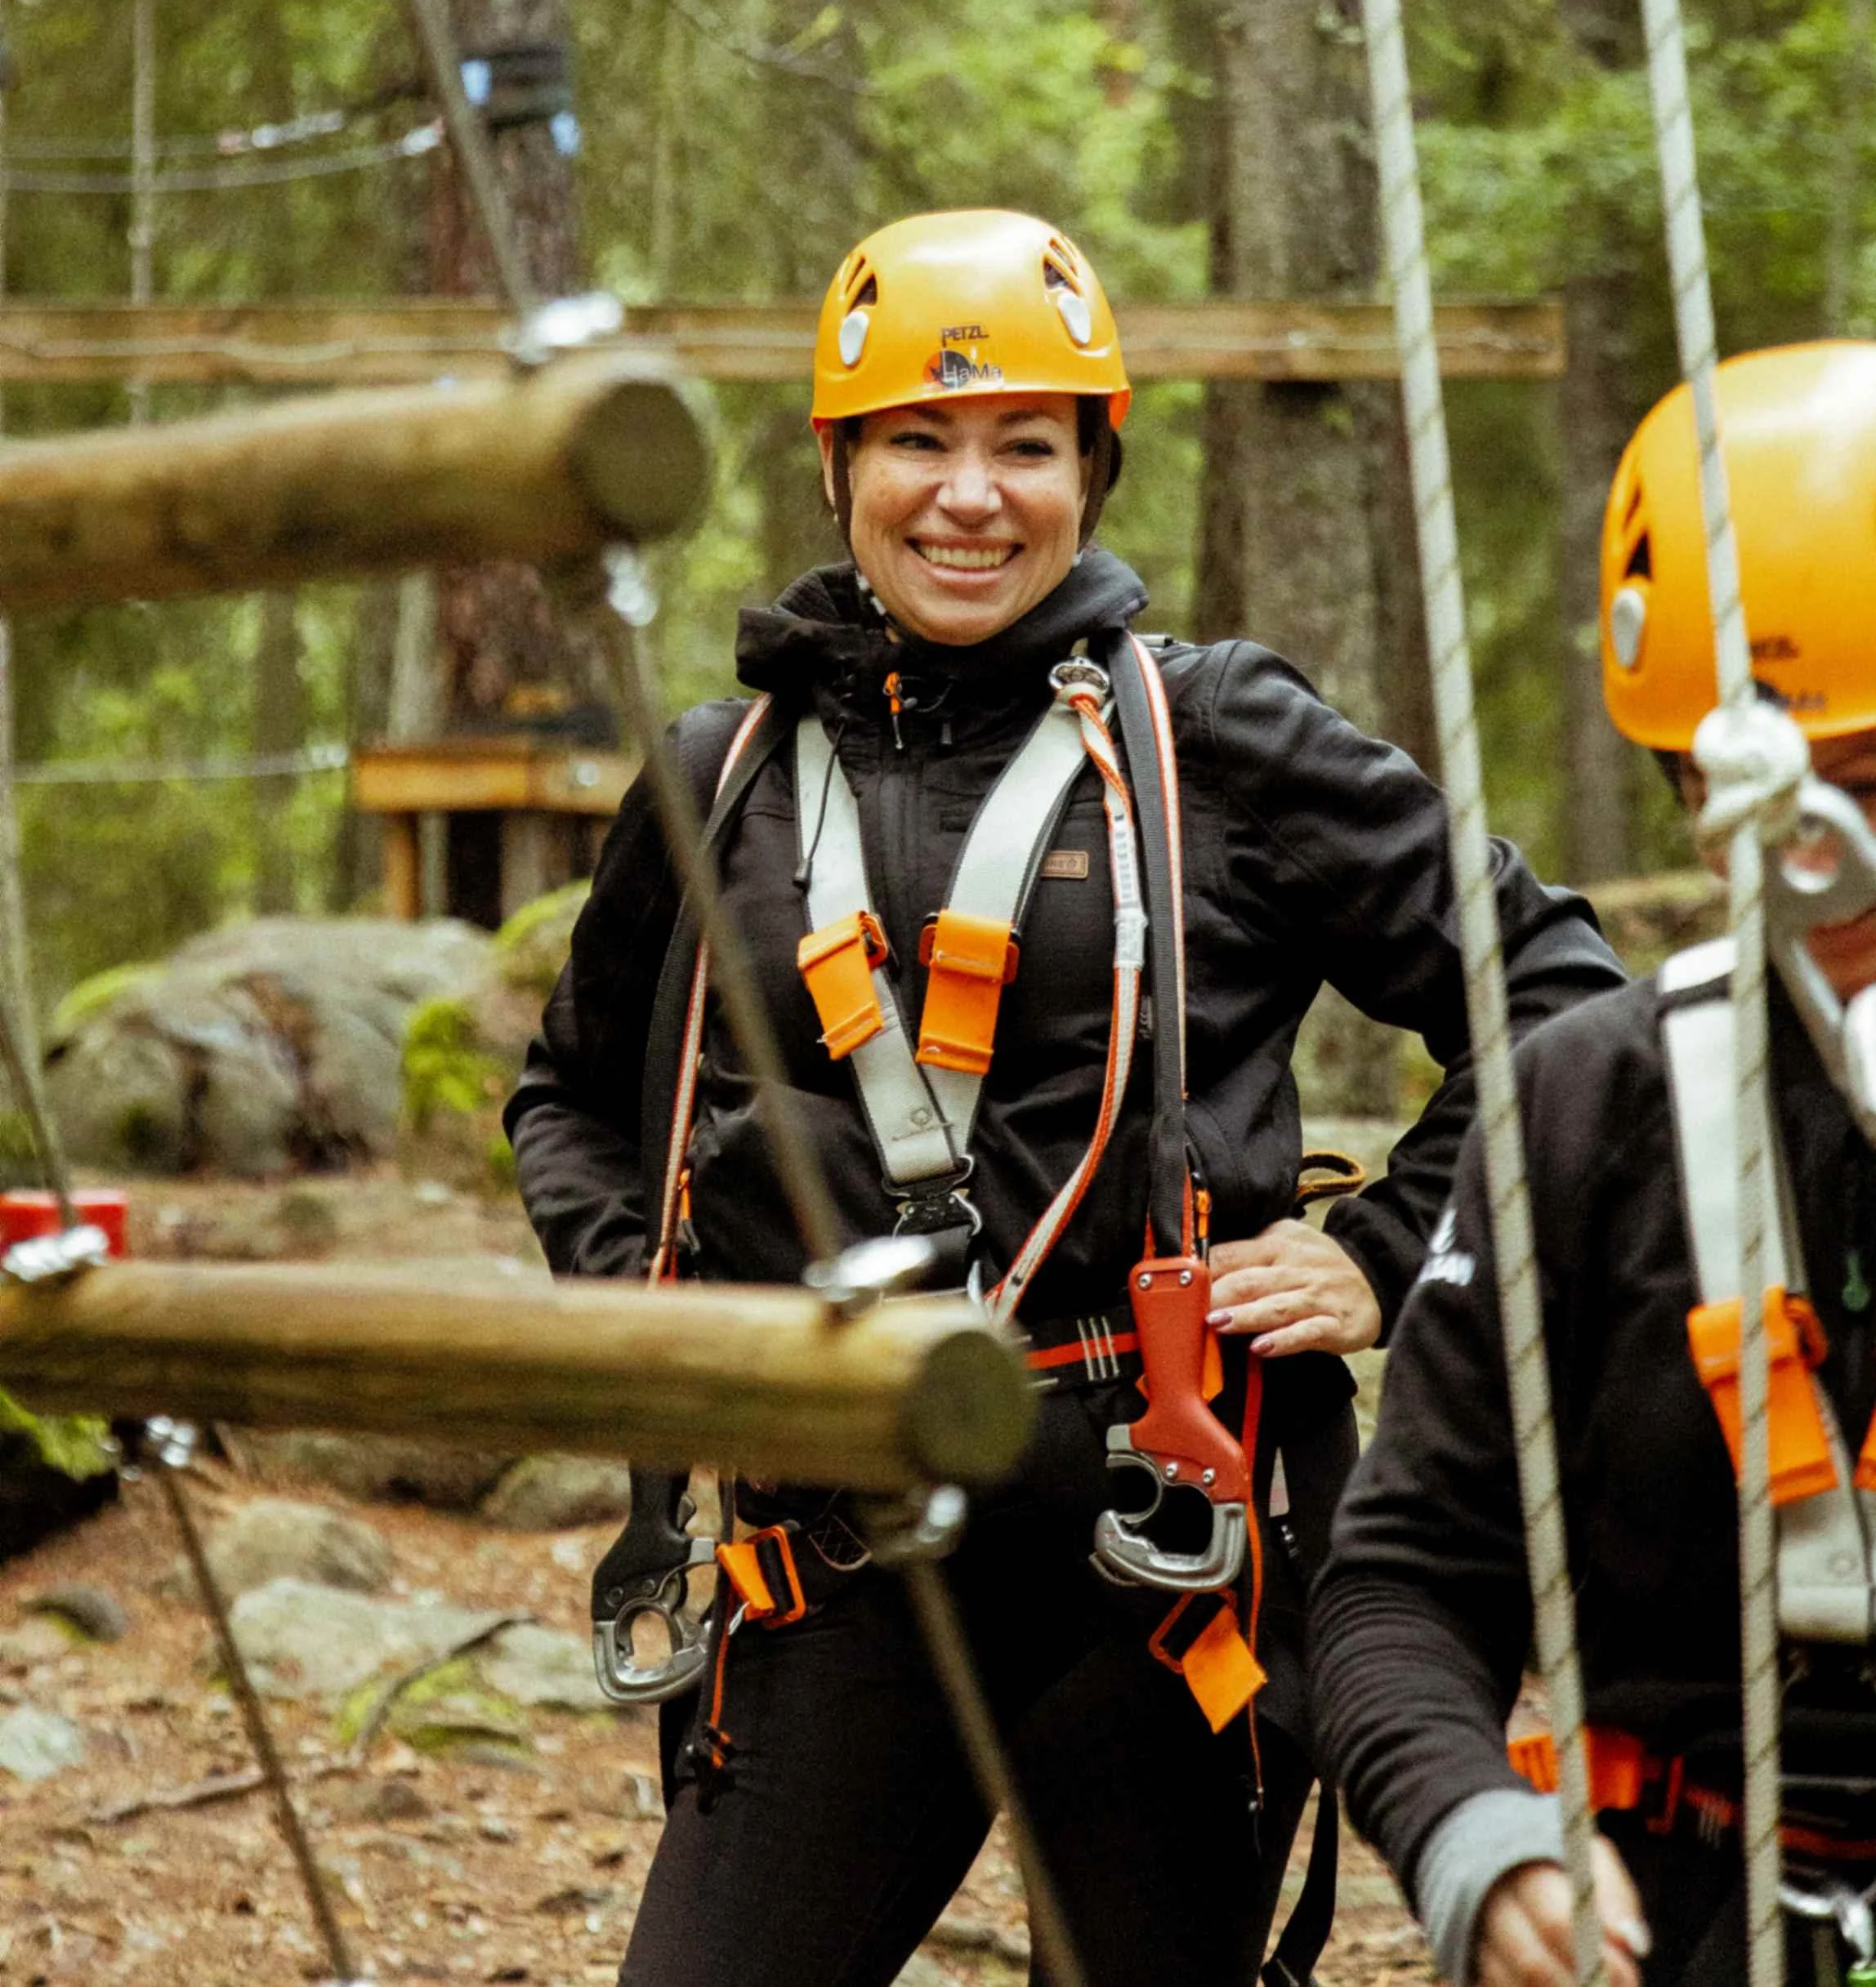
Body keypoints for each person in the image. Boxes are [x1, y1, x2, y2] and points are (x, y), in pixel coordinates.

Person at [505, 208, 1623, 1987]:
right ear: (837, 466)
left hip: (1151, 1542)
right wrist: (651, 1317)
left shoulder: (1221, 744)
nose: (969, 495)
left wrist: (1387, 1252)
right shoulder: (720, 779)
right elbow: (569, 1094)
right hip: (838, 1547)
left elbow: (1556, 1002)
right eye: (917, 442)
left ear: (1090, 472)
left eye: (1023, 446)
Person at [1311, 338, 1876, 1987]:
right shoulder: (1587, 1106)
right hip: (1680, 1914)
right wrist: (1475, 1843)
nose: (1834, 879)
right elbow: (1402, 1584)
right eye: (1788, 810)